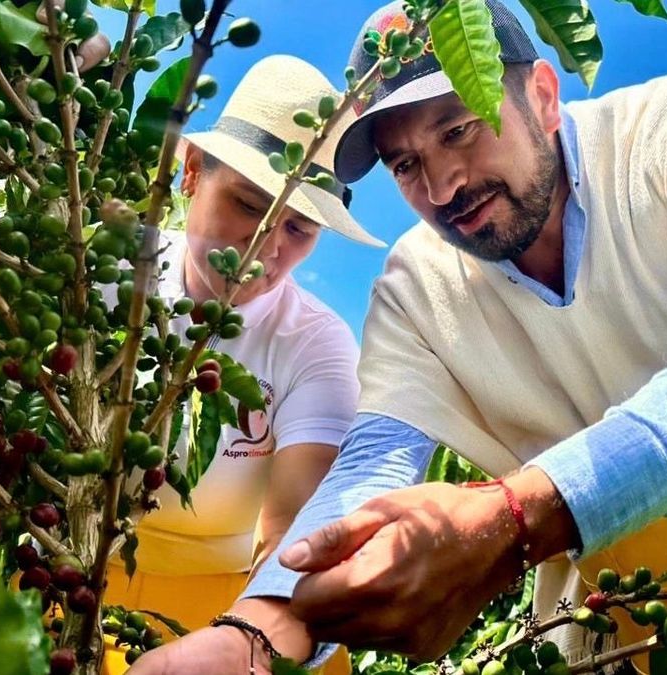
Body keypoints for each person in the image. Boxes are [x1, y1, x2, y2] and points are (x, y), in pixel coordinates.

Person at [130, 0, 667, 672]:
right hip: (615, 614)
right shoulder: (417, 288)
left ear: (543, 93)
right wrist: (257, 637)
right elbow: (371, 468)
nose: (443, 187)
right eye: (406, 164)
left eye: (459, 128)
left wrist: (516, 517)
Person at [107, 54, 382, 675]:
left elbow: (290, 526)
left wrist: (244, 642)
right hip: (71, 563)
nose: (264, 250)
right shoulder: (105, 277)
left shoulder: (316, 344)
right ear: (191, 173)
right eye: (248, 205)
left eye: (299, 230)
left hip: (235, 598)